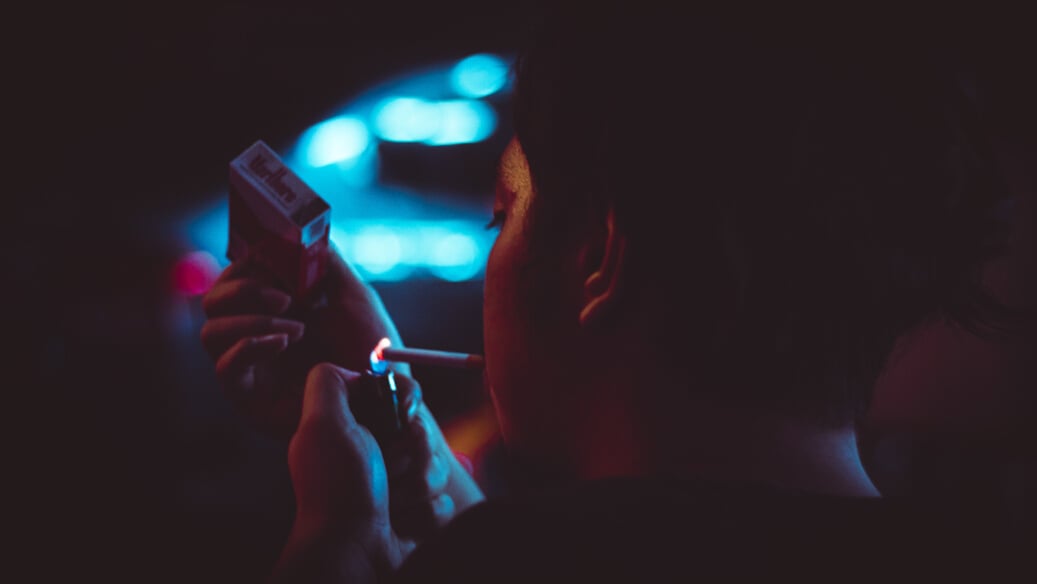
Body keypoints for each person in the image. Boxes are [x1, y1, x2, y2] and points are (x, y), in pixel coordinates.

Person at [201, 5, 1027, 581]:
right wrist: (412, 443)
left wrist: (337, 542)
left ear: (598, 256)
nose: (492, 250)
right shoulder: (977, 557)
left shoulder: (505, 564)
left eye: (502, 218)